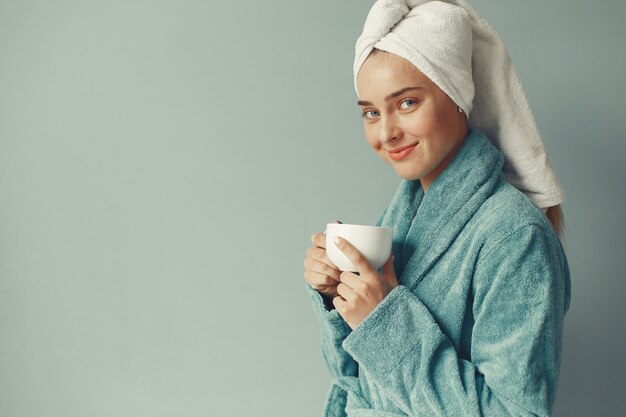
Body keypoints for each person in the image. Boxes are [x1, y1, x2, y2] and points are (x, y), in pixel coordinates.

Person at [302, 1, 571, 416]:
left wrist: (383, 322)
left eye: (407, 103)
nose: (387, 133)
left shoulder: (514, 237)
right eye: (371, 112)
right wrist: (337, 298)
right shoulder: (402, 219)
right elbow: (354, 378)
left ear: (457, 95)